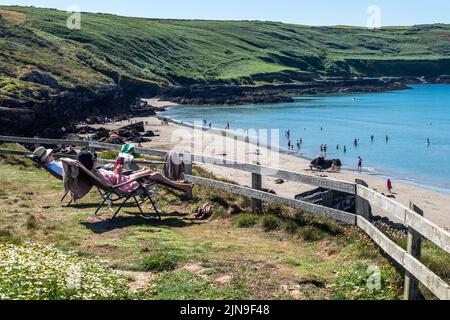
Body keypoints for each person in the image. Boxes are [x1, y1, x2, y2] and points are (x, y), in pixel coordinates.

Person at [77, 151, 192, 193]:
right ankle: (184, 187)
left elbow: (112, 179)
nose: (96, 160)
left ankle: (179, 186)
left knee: (147, 170)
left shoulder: (95, 171)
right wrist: (119, 173)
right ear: (90, 163)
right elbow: (113, 187)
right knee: (155, 175)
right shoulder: (96, 174)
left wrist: (117, 171)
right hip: (125, 184)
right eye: (94, 159)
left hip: (125, 179)